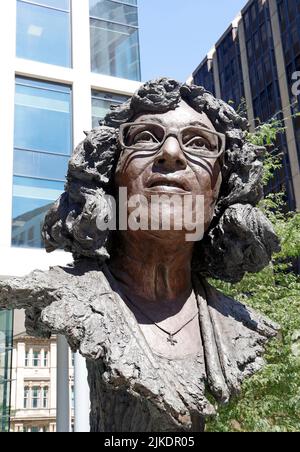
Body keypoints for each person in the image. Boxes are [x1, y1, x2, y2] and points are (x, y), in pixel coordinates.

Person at [0, 78, 280, 432]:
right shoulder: (60, 296)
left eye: (198, 142)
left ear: (223, 189)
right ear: (108, 177)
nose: (172, 153)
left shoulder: (243, 325)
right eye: (146, 136)